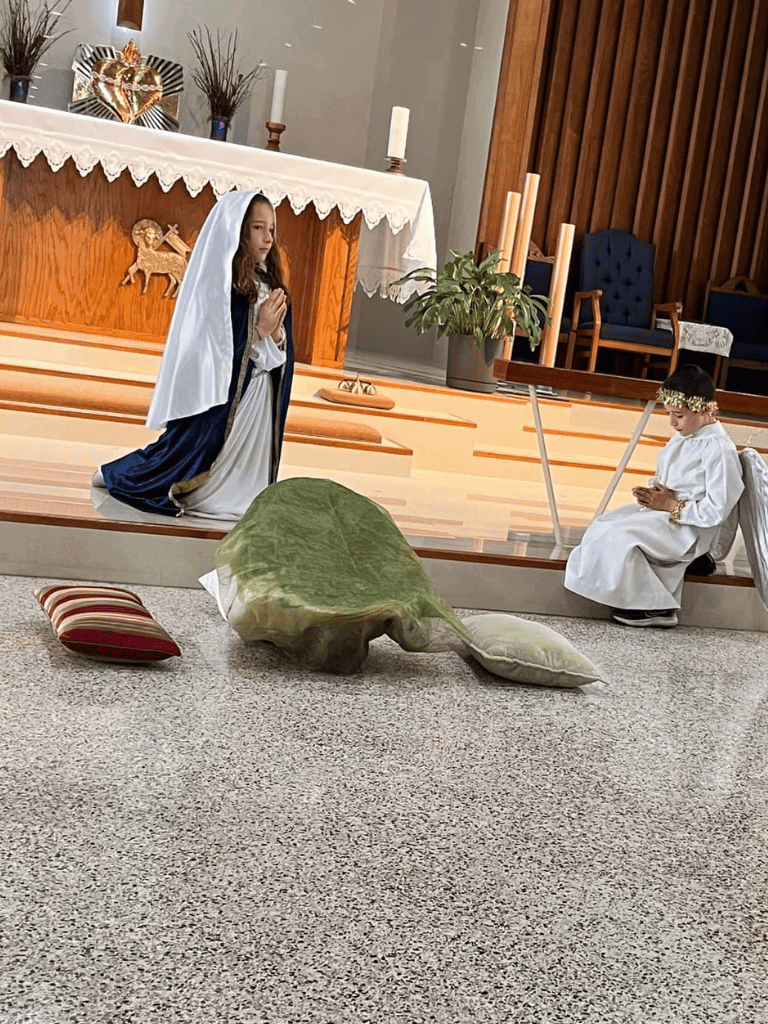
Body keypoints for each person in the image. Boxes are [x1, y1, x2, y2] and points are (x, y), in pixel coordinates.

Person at [92, 191, 294, 519]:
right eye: (258, 228)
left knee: (244, 487)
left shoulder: (269, 282)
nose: (268, 238)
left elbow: (282, 344)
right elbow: (212, 347)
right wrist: (258, 331)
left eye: (271, 229)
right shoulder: (221, 285)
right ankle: (123, 474)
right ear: (237, 231)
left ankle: (244, 490)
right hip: (227, 398)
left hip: (257, 395)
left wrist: (276, 332)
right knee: (183, 454)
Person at [564, 364, 744, 627]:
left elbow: (718, 509)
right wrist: (655, 493)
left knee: (621, 536)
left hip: (690, 529)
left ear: (704, 409)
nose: (672, 422)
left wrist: (671, 504)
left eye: (678, 415)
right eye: (669, 414)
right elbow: (673, 476)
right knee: (605, 524)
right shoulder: (686, 435)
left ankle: (656, 607)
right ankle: (633, 596)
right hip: (669, 514)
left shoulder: (718, 449)